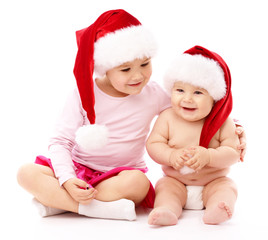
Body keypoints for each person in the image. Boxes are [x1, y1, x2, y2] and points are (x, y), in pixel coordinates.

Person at [17, 9, 246, 221]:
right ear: (105, 66)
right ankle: (91, 208)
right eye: (125, 69)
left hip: (122, 177)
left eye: (145, 64)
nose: (138, 76)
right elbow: (60, 141)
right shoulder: (82, 93)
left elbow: (195, 107)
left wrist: (234, 129)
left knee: (139, 184)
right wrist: (67, 180)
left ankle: (56, 204)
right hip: (79, 168)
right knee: (25, 173)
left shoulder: (154, 93)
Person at [146, 46, 242, 225]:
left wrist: (209, 156)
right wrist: (170, 155)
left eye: (198, 92)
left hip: (213, 181)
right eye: (180, 90)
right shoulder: (167, 117)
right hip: (176, 180)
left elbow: (233, 152)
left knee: (227, 187)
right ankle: (167, 210)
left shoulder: (223, 122)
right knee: (164, 189)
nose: (187, 98)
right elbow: (154, 144)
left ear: (214, 97)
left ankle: (217, 208)